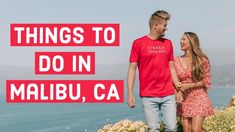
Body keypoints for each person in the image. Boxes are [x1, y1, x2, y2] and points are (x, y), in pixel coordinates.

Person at [127, 10, 179, 132]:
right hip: (148, 95)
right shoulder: (138, 43)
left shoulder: (168, 43)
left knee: (172, 128)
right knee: (153, 129)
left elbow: (171, 67)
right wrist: (130, 93)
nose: (166, 28)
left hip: (168, 93)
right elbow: (132, 69)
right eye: (165, 25)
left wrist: (177, 88)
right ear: (156, 25)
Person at [174, 32, 214, 132]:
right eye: (181, 39)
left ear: (191, 42)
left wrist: (189, 86)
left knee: (196, 130)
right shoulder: (177, 60)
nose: (181, 42)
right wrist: (178, 93)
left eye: (183, 39)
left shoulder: (202, 60)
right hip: (184, 98)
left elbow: (206, 81)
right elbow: (174, 80)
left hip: (199, 96)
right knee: (187, 129)